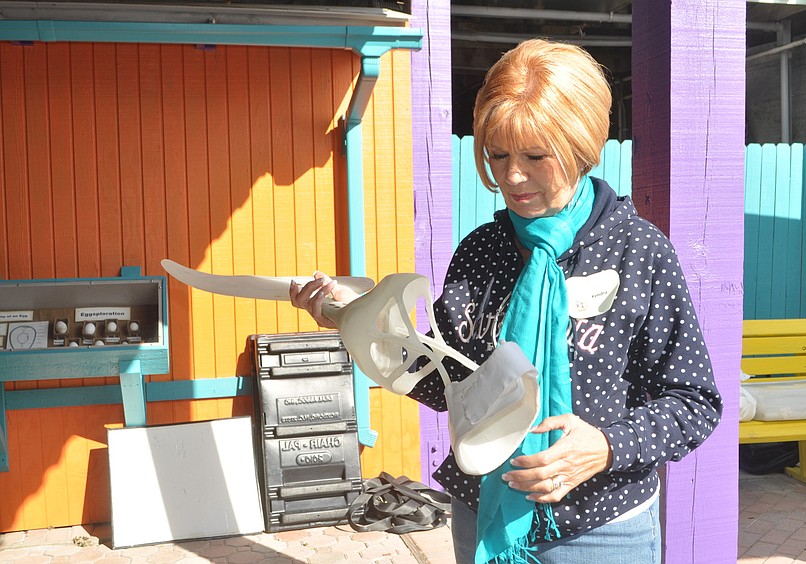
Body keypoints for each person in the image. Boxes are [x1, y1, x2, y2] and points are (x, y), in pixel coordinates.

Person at [290, 38, 722, 564]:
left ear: (582, 146)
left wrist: (606, 447)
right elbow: (451, 385)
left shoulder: (639, 252)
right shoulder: (481, 251)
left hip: (601, 527)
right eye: (497, 155)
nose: (512, 177)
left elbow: (694, 402)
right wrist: (359, 321)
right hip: (484, 515)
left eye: (536, 156)